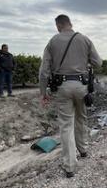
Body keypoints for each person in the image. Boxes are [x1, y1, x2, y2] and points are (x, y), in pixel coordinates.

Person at [39, 14, 102, 178]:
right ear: (70, 24)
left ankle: (70, 166)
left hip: (62, 88)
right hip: (82, 87)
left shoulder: (53, 41)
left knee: (66, 125)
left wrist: (43, 91)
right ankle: (83, 149)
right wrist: (85, 63)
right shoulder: (84, 39)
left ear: (58, 26)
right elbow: (98, 63)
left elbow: (44, 71)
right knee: (81, 118)